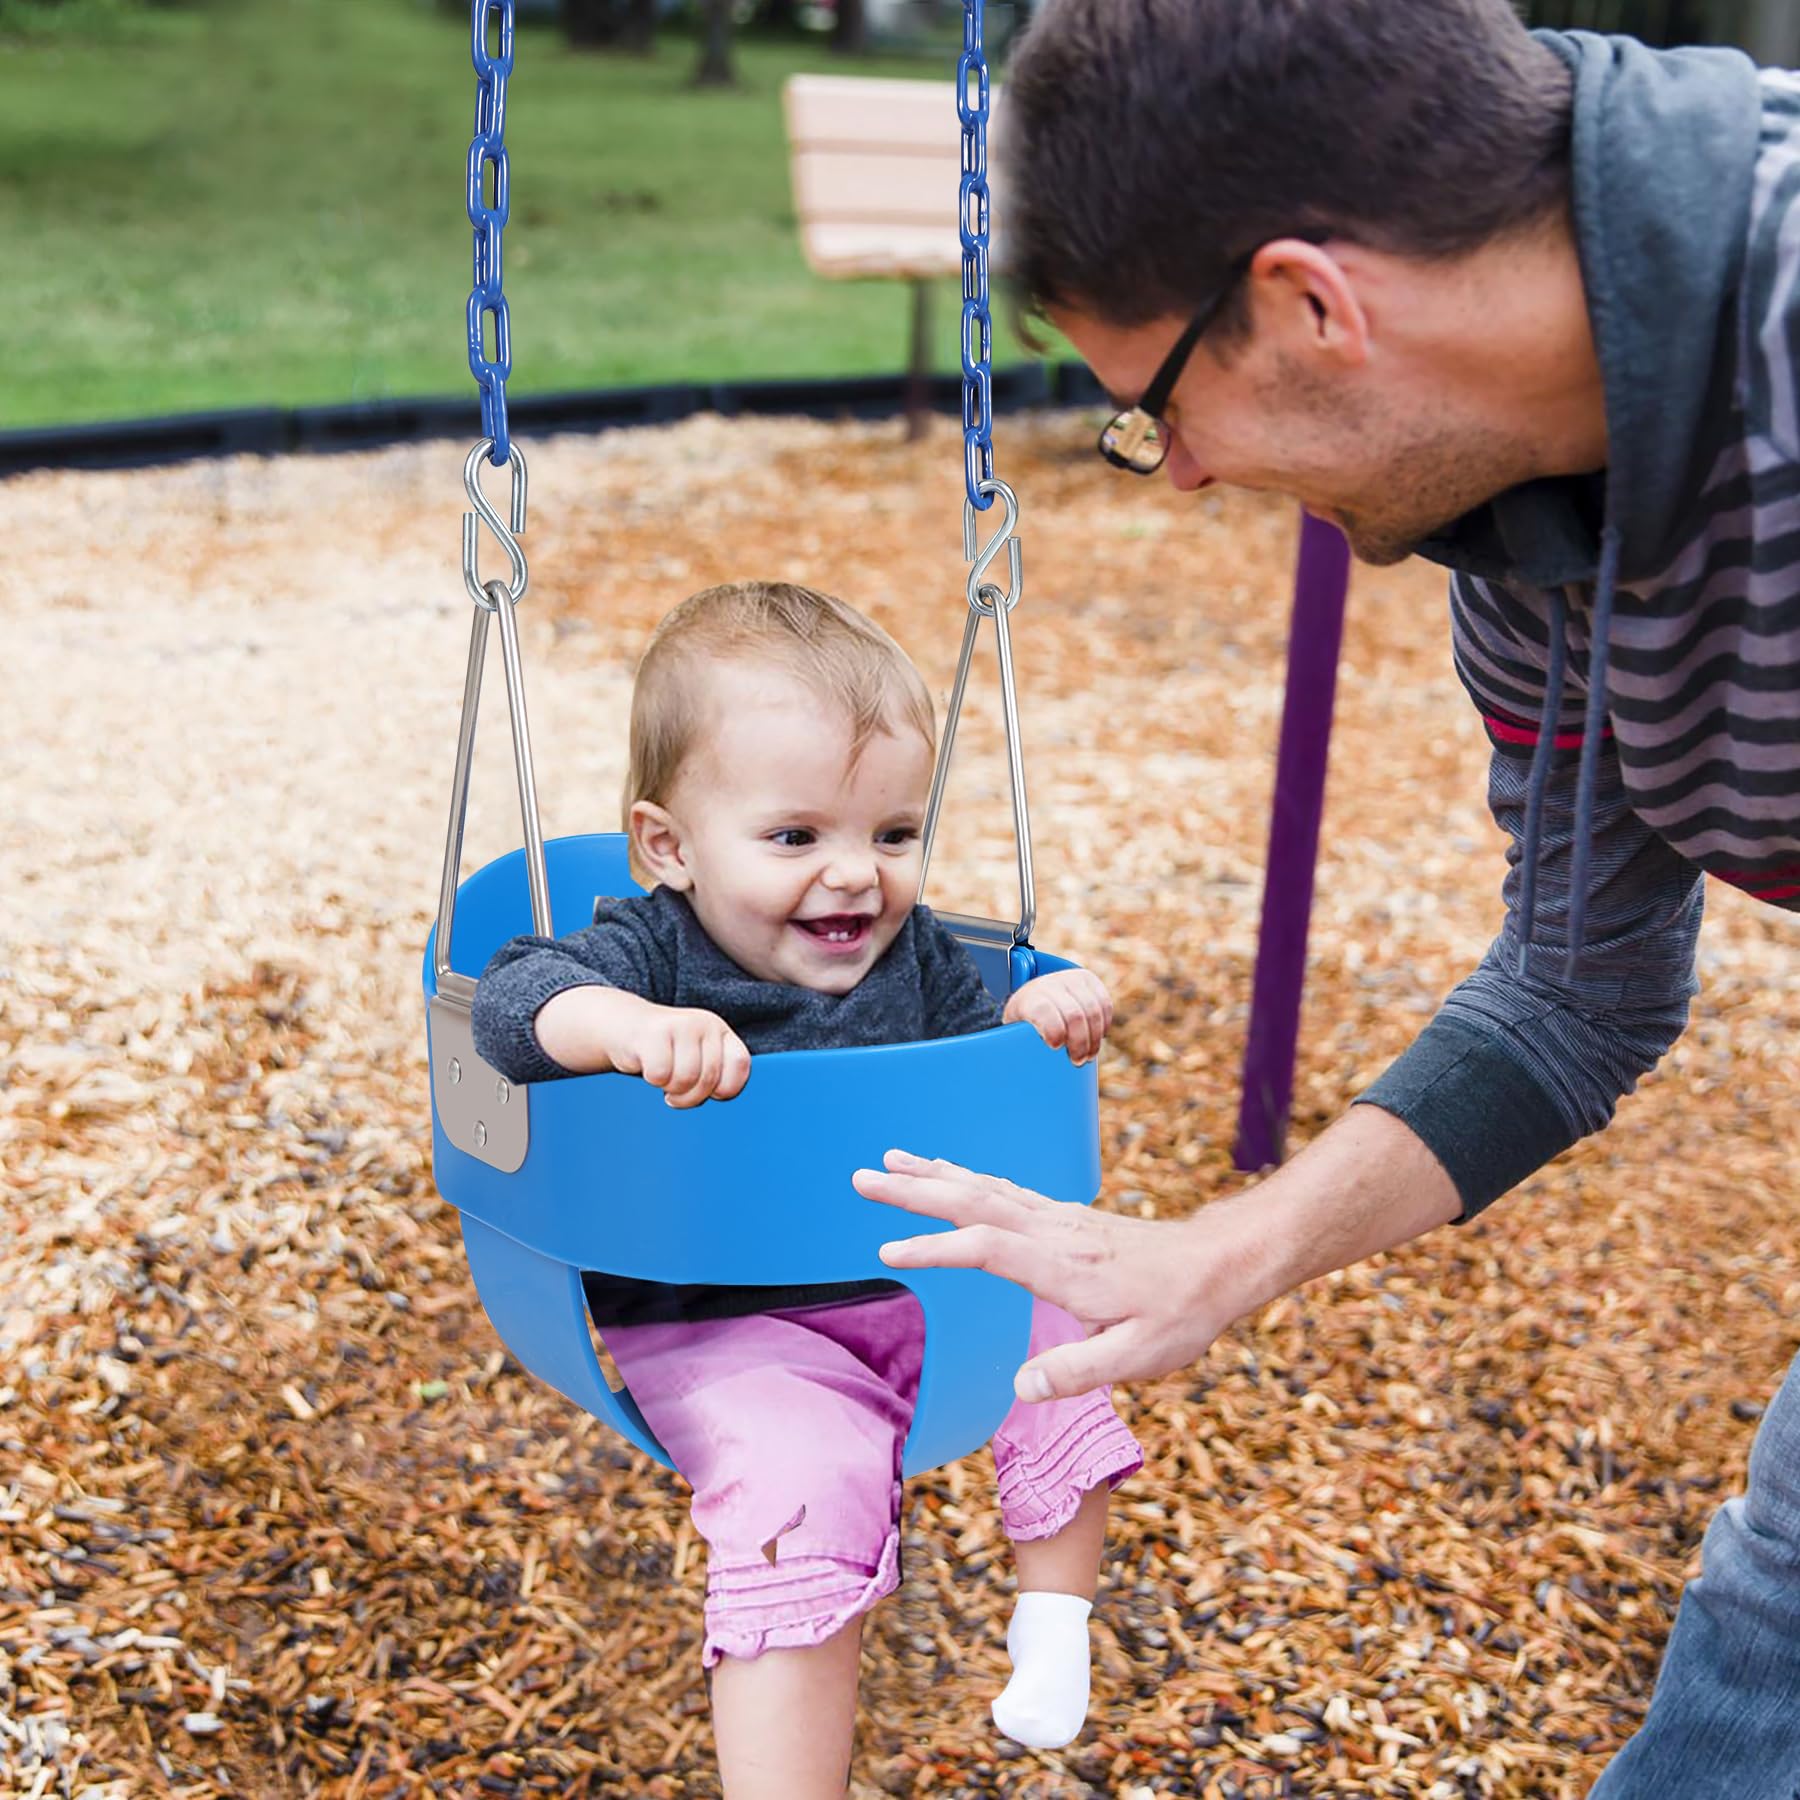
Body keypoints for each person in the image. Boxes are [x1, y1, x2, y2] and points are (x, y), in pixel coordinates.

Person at [849, 3, 1800, 1795]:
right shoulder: (1524, 519)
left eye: (1156, 413)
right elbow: (1577, 993)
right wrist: (1226, 1257)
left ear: (1308, 304)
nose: (1183, 473)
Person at [469, 581, 1143, 1797]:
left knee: (1068, 1319)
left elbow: (982, 1042)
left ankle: (1054, 1627)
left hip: (914, 1293)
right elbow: (512, 1003)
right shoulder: (651, 947)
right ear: (669, 847)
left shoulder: (911, 948)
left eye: (889, 835)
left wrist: (1036, 1012)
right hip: (729, 1324)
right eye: (796, 839)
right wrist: (621, 1027)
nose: (855, 880)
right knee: (802, 1483)